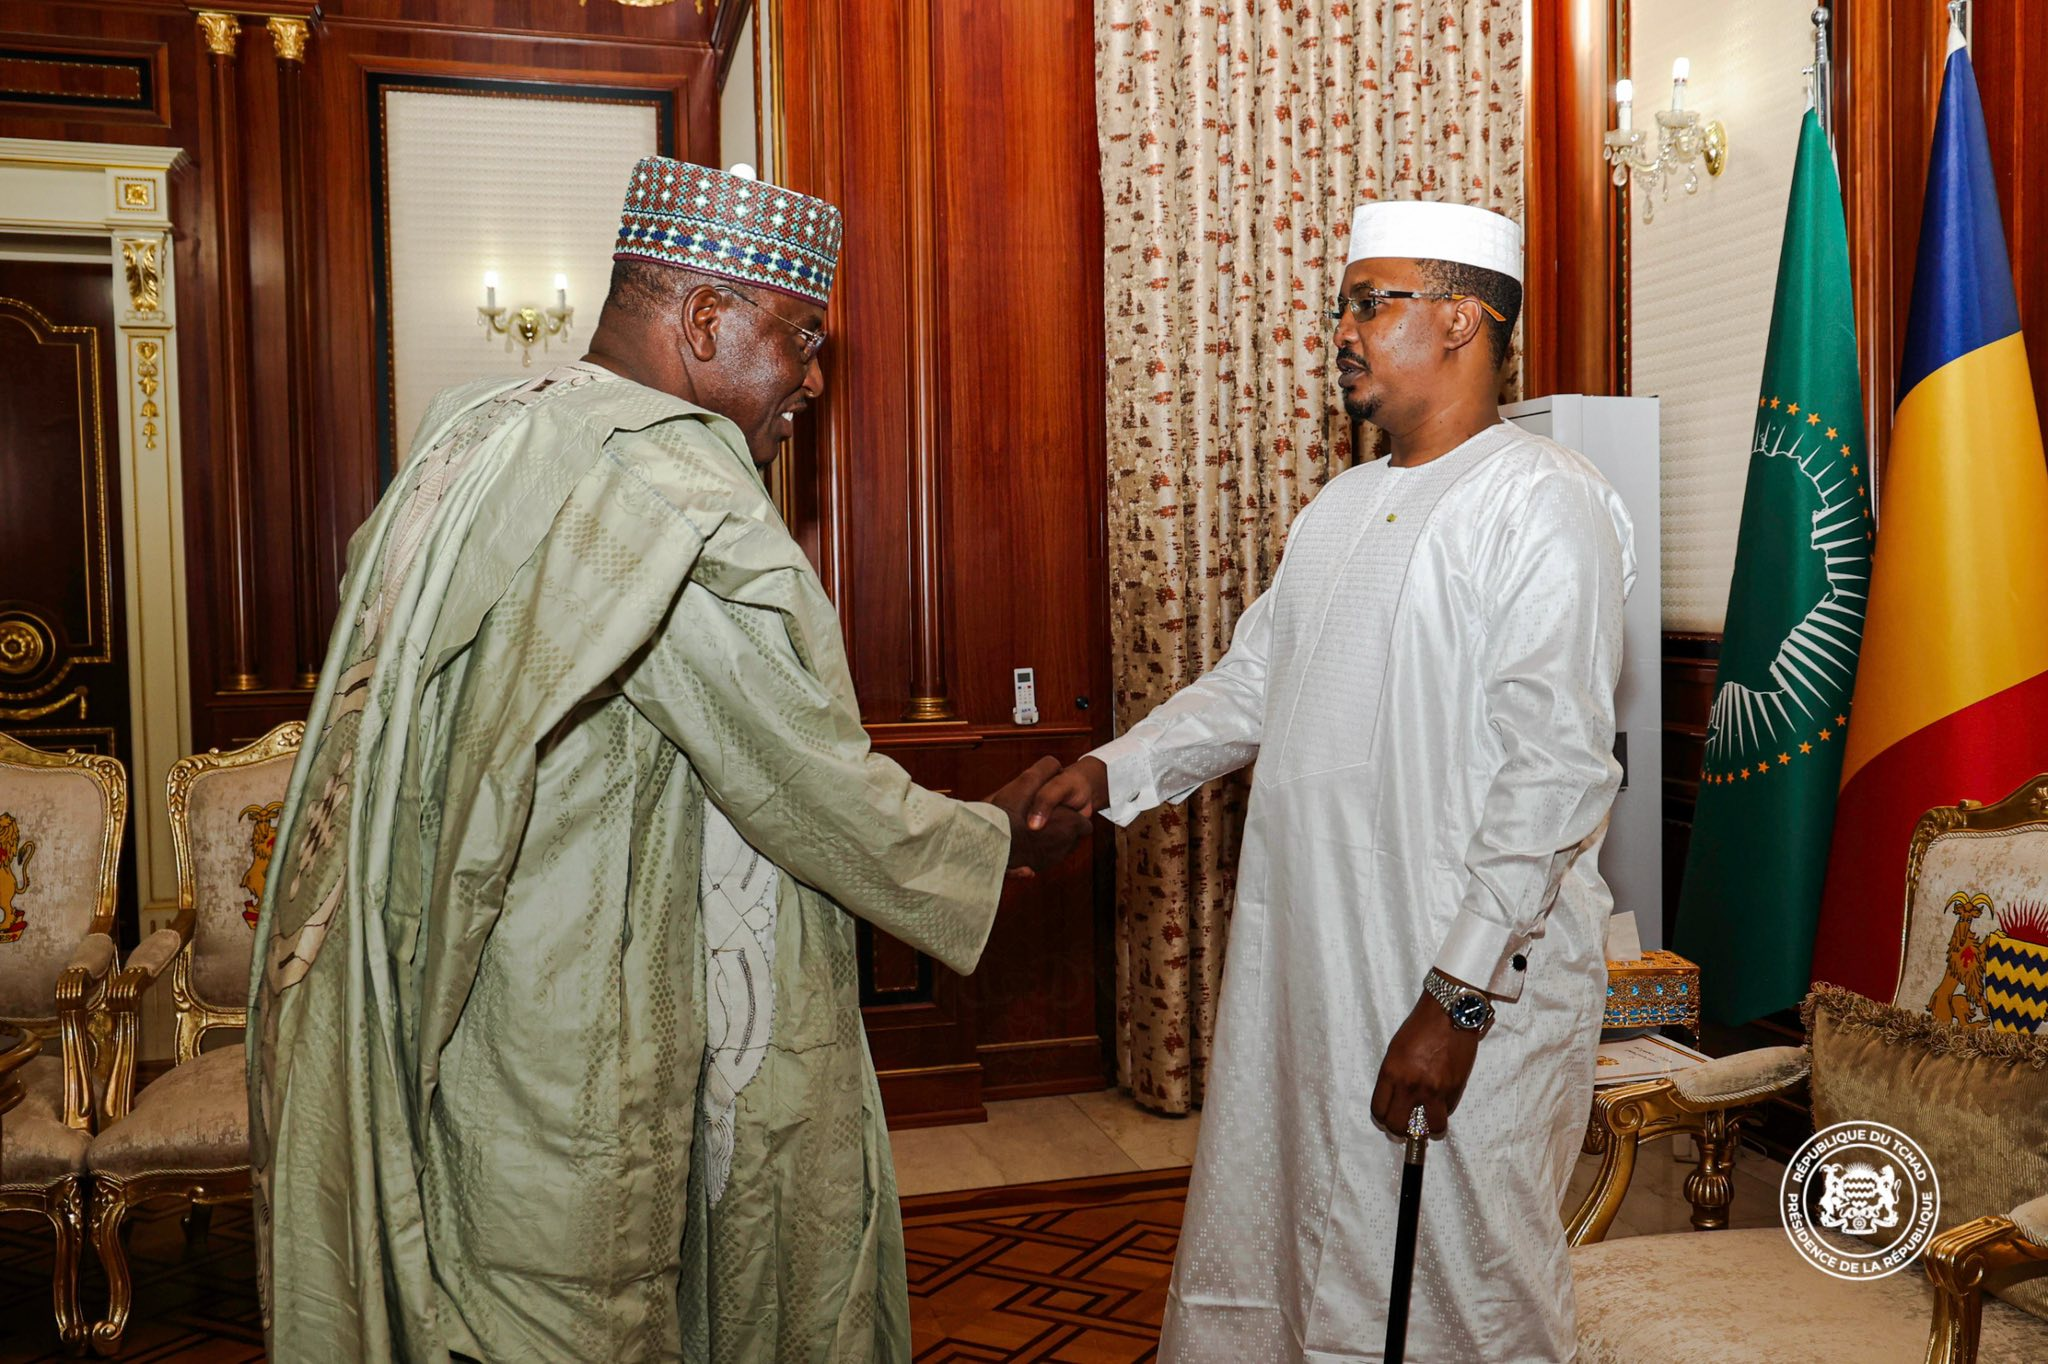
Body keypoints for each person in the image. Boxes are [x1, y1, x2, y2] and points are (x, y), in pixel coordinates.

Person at [247, 157, 1088, 1362]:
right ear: (702, 319)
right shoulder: (658, 475)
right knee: (579, 1313)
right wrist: (996, 839)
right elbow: (798, 776)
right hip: (573, 1025)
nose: (807, 379)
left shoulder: (475, 431)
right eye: (798, 338)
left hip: (437, 984)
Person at [1029, 199, 1636, 1361]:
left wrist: (1457, 997)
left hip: (1457, 987)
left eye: (1371, 301)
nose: (1342, 331)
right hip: (1313, 971)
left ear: (1461, 316)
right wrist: (1105, 775)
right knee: (1291, 1257)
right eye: (1343, 306)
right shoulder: (1340, 506)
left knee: (1461, 1293)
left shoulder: (1541, 500)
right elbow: (1250, 686)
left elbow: (1553, 773)